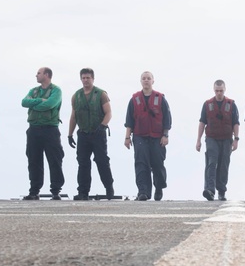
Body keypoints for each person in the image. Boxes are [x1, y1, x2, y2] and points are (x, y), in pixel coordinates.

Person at [124, 71, 172, 201]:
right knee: (141, 164)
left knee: (157, 163)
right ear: (140, 81)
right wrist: (127, 138)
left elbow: (167, 118)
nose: (146, 80)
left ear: (153, 81)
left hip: (157, 137)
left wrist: (165, 135)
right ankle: (143, 191)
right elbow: (129, 120)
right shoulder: (134, 99)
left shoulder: (160, 98)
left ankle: (159, 187)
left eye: (148, 78)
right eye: (144, 78)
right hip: (140, 136)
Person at [67, 68, 114, 200]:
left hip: (98, 133)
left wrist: (103, 126)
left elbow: (108, 112)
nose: (86, 80)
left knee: (102, 161)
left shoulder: (101, 94)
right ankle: (83, 191)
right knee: (83, 163)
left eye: (88, 77)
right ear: (81, 79)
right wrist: (69, 134)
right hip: (83, 134)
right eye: (83, 78)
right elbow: (73, 117)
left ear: (93, 79)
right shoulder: (76, 96)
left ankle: (109, 188)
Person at [21, 67, 64, 200]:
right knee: (33, 160)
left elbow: (50, 104)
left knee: (55, 159)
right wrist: (40, 101)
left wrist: (34, 104)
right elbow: (24, 102)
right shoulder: (33, 90)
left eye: (39, 73)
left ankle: (56, 191)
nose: (36, 75)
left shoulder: (56, 90)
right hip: (34, 129)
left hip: (50, 129)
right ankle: (34, 191)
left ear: (46, 75)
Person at [196, 80, 240, 201]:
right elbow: (202, 122)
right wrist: (198, 140)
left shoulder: (231, 104)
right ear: (213, 90)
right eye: (217, 91)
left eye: (221, 91)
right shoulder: (207, 104)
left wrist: (236, 139)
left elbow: (236, 123)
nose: (219, 93)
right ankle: (210, 190)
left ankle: (221, 191)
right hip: (211, 138)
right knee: (211, 162)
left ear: (225, 89)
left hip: (226, 139)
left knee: (224, 165)